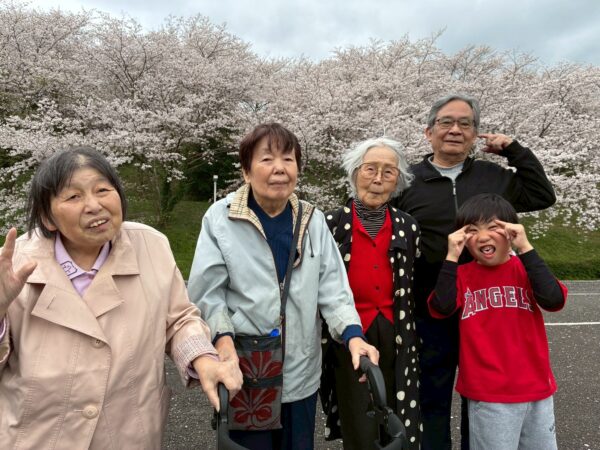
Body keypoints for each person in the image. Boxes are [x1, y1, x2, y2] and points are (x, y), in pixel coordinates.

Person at [0, 147, 242, 449]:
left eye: (103, 190)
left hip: (129, 433)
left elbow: (179, 320)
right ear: (47, 217)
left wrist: (203, 358)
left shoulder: (151, 246)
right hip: (38, 437)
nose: (94, 205)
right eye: (73, 197)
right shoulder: (14, 266)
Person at [187, 122, 379, 450]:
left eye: (288, 159)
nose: (279, 168)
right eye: (267, 159)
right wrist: (222, 341)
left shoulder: (312, 220)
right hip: (244, 370)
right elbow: (208, 293)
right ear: (246, 171)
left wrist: (353, 335)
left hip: (301, 370)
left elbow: (334, 290)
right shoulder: (220, 218)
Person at [392, 93, 557, 450]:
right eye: (446, 122)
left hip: (486, 311)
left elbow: (543, 195)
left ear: (475, 134)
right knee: (431, 396)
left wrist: (514, 150)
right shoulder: (407, 180)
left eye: (465, 124)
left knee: (483, 400)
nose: (455, 130)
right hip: (431, 307)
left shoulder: (493, 176)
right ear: (428, 132)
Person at [428, 193, 567, 450]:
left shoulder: (526, 269)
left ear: (511, 231)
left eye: (493, 227)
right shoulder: (461, 275)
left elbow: (554, 300)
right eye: (472, 231)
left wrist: (525, 248)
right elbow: (441, 306)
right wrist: (451, 256)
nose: (483, 236)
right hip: (490, 395)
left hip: (538, 389)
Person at [320, 137, 421, 449]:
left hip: (396, 330)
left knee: (397, 412)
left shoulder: (408, 226)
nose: (378, 179)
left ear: (397, 181)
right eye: (370, 169)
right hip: (349, 332)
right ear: (354, 174)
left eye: (388, 172)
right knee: (358, 417)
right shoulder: (330, 224)